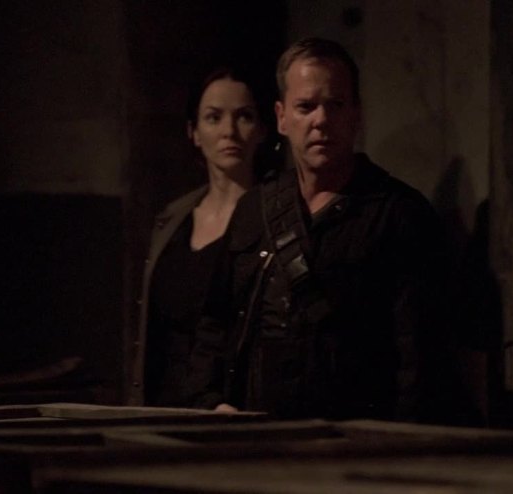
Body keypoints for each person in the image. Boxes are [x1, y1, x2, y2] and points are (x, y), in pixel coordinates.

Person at [187, 38, 469, 423]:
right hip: (257, 434)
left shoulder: (398, 214)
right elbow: (215, 322)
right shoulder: (255, 209)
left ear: (356, 115)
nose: (321, 120)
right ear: (282, 117)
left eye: (335, 105)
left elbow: (419, 355)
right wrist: (210, 401)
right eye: (306, 106)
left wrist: (395, 441)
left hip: (352, 439)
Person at [126, 65, 270, 406]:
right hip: (159, 408)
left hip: (227, 410)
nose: (229, 131)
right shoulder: (172, 219)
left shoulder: (271, 218)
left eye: (244, 116)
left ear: (263, 129)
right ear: (193, 131)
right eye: (213, 117)